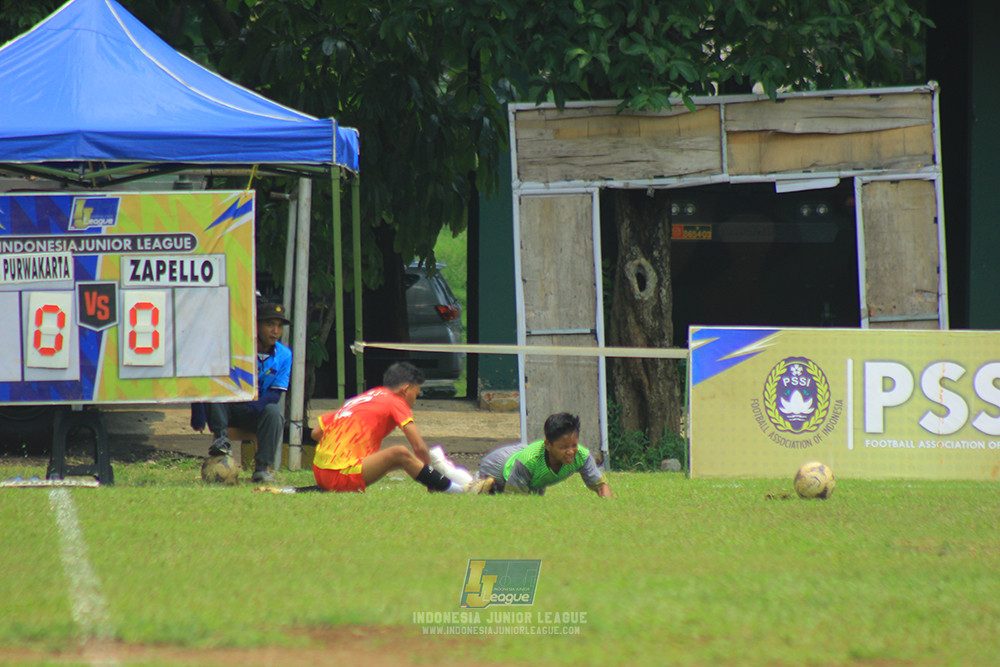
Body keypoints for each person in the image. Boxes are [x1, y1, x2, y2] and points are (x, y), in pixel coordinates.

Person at [310, 361, 470, 493]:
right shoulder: (396, 401)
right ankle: (457, 490)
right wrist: (431, 477)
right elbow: (419, 447)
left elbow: (316, 433)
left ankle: (450, 483)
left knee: (397, 461)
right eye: (416, 394)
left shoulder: (366, 397)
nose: (415, 401)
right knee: (399, 453)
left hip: (320, 472)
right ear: (405, 390)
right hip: (341, 475)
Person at [197, 302, 292, 484]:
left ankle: (262, 470)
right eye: (270, 324)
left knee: (274, 412)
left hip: (254, 411)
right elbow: (212, 379)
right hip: (229, 407)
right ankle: (221, 444)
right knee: (217, 393)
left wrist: (256, 405)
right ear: (257, 325)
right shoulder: (238, 348)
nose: (275, 331)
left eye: (279, 326)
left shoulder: (284, 355)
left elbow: (275, 393)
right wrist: (199, 412)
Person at [473, 413, 613, 497]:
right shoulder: (528, 461)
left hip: (528, 465)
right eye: (564, 447)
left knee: (535, 494)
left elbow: (601, 486)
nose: (570, 451)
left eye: (574, 445)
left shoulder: (582, 456)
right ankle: (474, 483)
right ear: (548, 445)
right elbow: (514, 500)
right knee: (489, 492)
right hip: (498, 466)